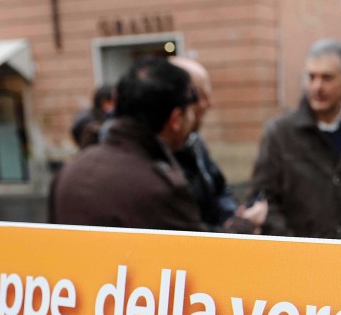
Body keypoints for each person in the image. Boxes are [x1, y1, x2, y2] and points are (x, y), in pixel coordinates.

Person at [247, 39, 341, 241]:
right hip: (301, 256)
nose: (317, 87)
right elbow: (262, 199)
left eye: (327, 78)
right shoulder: (280, 134)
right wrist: (294, 247)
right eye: (311, 77)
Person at [49, 57, 204, 229]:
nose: (193, 119)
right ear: (176, 119)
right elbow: (197, 244)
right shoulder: (162, 188)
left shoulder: (69, 171)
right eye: (192, 111)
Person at [170, 57, 266, 232]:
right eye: (202, 96)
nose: (209, 104)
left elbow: (219, 189)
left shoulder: (195, 142)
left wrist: (233, 216)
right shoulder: (161, 154)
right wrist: (239, 226)